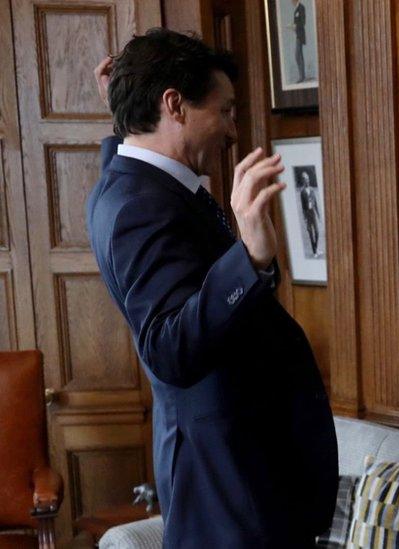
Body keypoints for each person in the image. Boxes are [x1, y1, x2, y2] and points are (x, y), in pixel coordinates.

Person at [85, 29, 337, 548]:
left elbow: (125, 158)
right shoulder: (139, 203)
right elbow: (168, 348)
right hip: (229, 494)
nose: (231, 129)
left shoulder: (130, 178)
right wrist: (249, 256)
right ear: (174, 104)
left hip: (246, 486)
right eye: (224, 111)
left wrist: (120, 118)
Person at [298, 170, 320, 255]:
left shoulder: (312, 189)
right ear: (303, 181)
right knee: (310, 233)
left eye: (308, 178)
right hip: (307, 214)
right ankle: (314, 252)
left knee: (317, 232)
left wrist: (318, 215)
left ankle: (316, 248)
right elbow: (303, 207)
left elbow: (315, 203)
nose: (308, 180)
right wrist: (305, 219)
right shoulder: (302, 192)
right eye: (306, 179)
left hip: (313, 213)